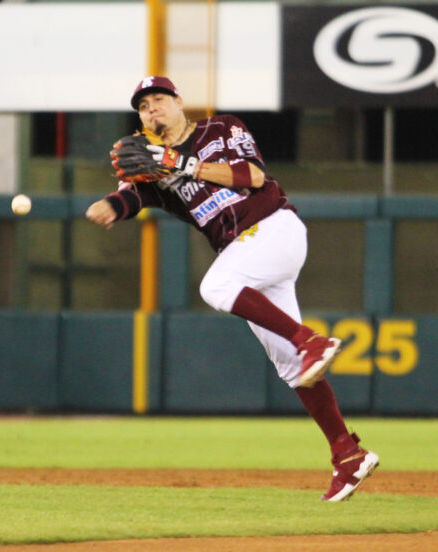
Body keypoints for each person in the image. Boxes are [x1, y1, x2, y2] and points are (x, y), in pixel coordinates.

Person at [85, 76, 379, 501]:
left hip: (274, 229)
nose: (152, 110)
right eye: (144, 106)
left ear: (179, 102)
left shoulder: (220, 129)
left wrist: (180, 163)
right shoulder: (150, 161)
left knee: (217, 285)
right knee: (292, 367)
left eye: (159, 100)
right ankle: (349, 455)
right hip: (247, 257)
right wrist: (111, 206)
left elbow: (253, 176)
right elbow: (132, 195)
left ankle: (309, 338)